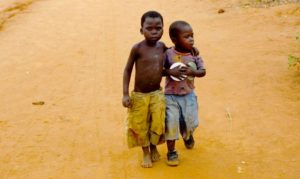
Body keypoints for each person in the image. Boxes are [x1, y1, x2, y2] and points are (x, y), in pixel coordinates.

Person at [122, 11, 166, 168]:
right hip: (140, 95)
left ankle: (154, 146)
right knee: (140, 125)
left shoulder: (163, 47)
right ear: (141, 30)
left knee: (158, 123)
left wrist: (191, 51)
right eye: (149, 28)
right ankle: (146, 152)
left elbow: (172, 62)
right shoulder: (137, 49)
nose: (154, 32)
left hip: (157, 93)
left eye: (158, 28)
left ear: (163, 29)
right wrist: (125, 94)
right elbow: (127, 70)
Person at [164, 20, 206, 166]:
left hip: (188, 95)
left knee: (190, 122)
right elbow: (160, 70)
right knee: (171, 122)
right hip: (170, 96)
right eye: (187, 36)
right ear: (174, 39)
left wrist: (192, 71)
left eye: (192, 36)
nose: (191, 39)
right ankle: (171, 152)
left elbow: (203, 71)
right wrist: (170, 71)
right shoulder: (168, 54)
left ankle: (187, 134)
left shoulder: (194, 54)